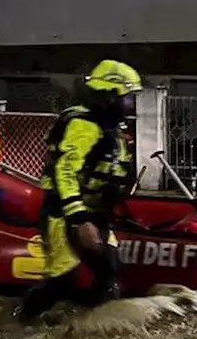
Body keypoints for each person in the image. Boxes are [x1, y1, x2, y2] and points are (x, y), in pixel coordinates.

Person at [16, 60, 141, 322]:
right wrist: (80, 219)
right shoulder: (84, 126)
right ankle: (24, 320)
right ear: (110, 96)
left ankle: (96, 326)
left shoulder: (110, 129)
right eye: (127, 97)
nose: (131, 104)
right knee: (62, 280)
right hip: (65, 213)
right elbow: (65, 171)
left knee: (110, 269)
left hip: (94, 212)